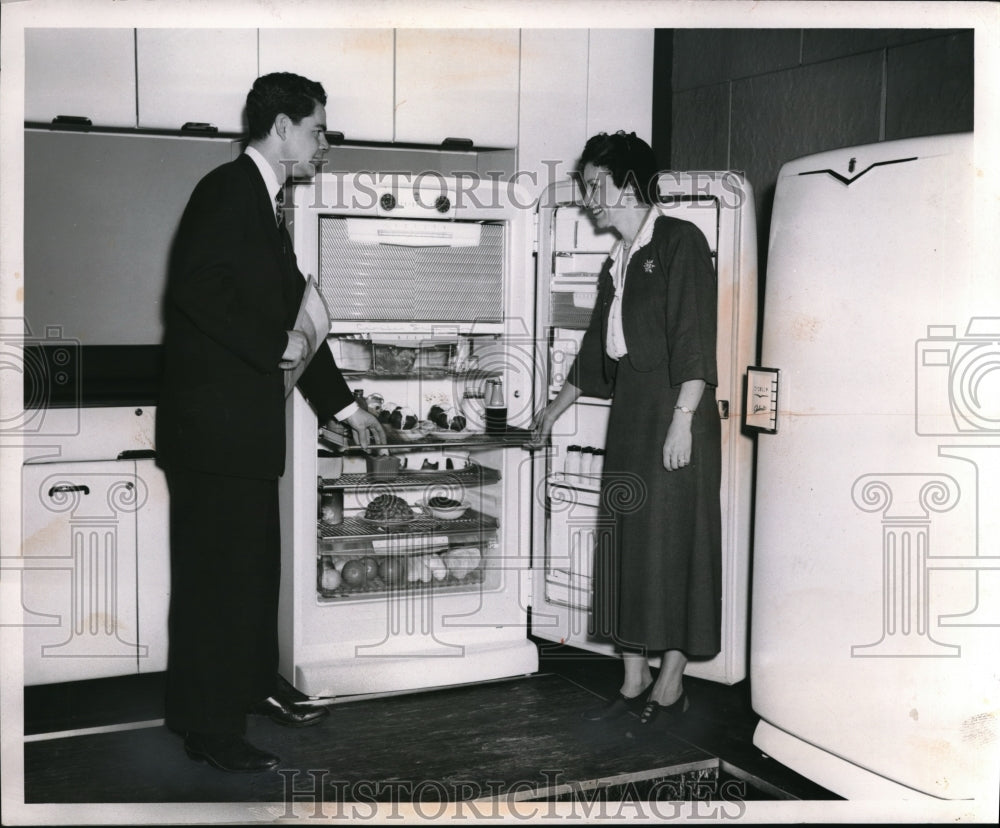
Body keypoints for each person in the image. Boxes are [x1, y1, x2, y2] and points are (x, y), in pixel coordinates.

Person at [156, 72, 385, 773]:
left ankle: (250, 688)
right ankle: (209, 728)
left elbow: (299, 323)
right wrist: (271, 343)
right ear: (281, 128)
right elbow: (196, 290)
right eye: (318, 130)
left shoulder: (263, 204)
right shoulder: (227, 191)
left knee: (251, 574)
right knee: (216, 582)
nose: (325, 144)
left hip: (241, 435)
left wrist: (347, 407)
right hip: (215, 435)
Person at [532, 131, 721, 733]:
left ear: (629, 184)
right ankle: (633, 677)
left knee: (674, 543)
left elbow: (694, 339)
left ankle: (671, 681)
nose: (588, 197)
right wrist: (551, 412)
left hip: (676, 408)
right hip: (634, 411)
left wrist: (683, 422)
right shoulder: (618, 260)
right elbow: (597, 352)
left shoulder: (679, 241)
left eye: (596, 185)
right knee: (629, 540)